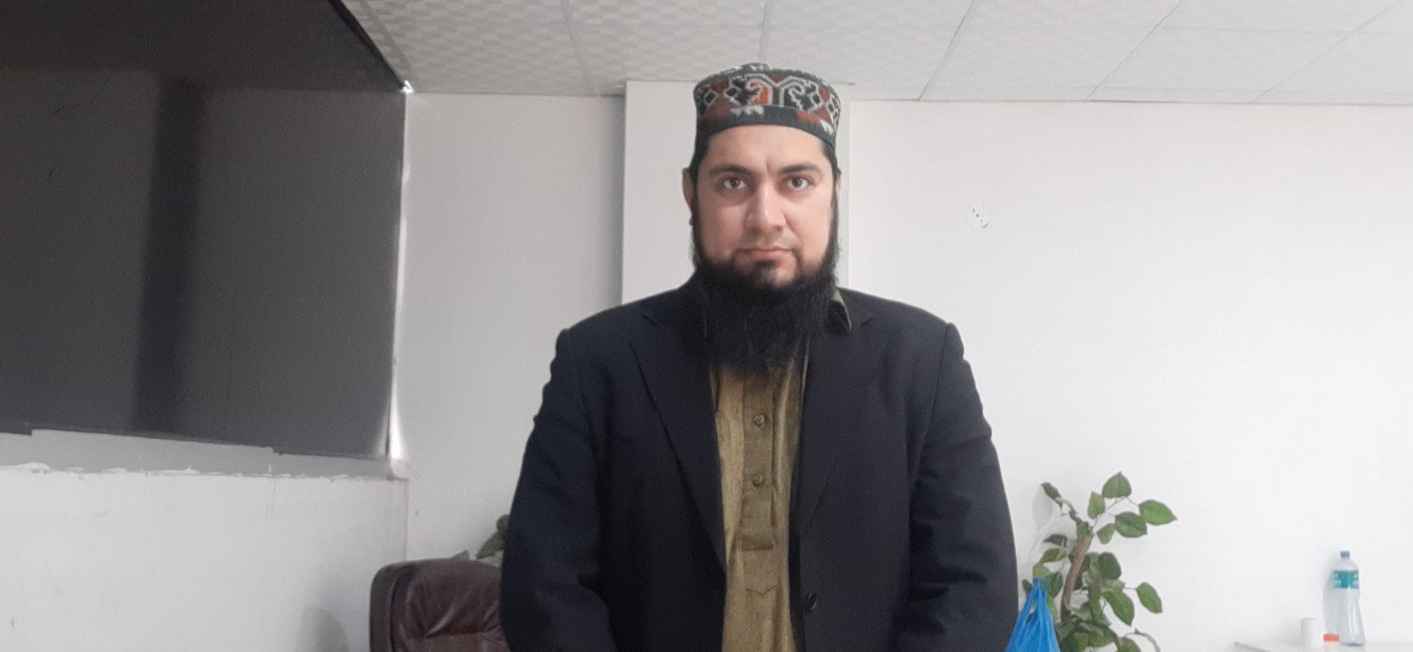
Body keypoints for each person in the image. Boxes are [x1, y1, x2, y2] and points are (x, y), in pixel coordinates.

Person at [501, 63, 1017, 652]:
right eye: (732, 183)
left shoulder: (923, 360)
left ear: (834, 193)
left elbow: (974, 588)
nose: (765, 216)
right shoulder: (599, 361)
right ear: (691, 193)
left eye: (797, 182)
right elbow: (545, 587)